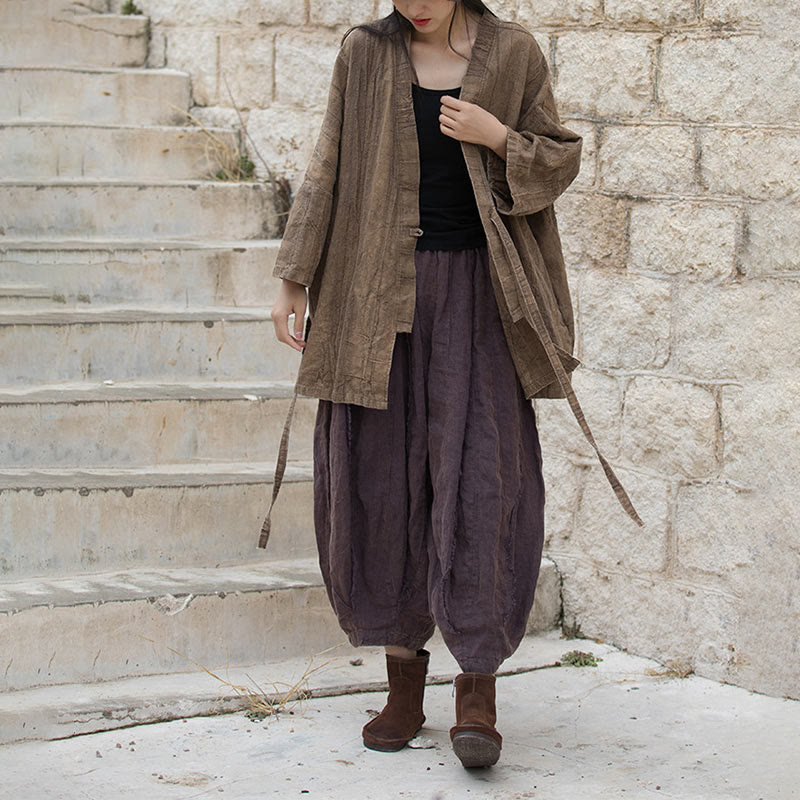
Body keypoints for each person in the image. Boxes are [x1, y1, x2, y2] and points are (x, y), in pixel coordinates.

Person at [263, 0, 644, 770]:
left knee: (482, 482)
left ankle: (478, 690)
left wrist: (497, 137)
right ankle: (405, 683)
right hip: (376, 298)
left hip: (480, 299)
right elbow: (327, 165)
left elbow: (559, 157)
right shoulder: (365, 53)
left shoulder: (513, 54)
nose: (416, 3)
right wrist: (294, 275)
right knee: (381, 483)